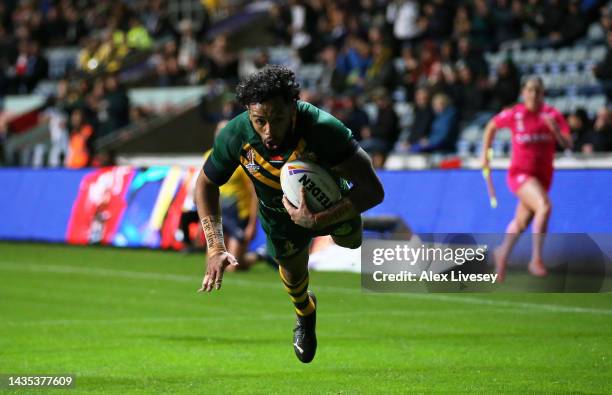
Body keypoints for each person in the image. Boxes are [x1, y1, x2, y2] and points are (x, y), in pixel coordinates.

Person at [194, 66, 384, 363]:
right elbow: (206, 184)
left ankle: (339, 224)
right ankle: (305, 315)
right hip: (278, 214)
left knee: (351, 242)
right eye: (260, 121)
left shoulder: (323, 129)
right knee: (295, 273)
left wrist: (321, 219)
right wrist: (215, 245)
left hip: (332, 200)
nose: (268, 131)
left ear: (293, 108)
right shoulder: (236, 134)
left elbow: (374, 190)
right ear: (248, 112)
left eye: (278, 119)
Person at [481, 77, 572, 282]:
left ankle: (501, 254)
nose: (533, 95)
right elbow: (491, 126)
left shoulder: (552, 115)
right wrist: (485, 155)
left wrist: (555, 131)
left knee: (521, 223)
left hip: (543, 177)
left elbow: (568, 144)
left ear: (543, 94)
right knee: (544, 206)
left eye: (537, 91)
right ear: (523, 93)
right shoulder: (515, 114)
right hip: (520, 174)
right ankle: (536, 259)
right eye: (529, 90)